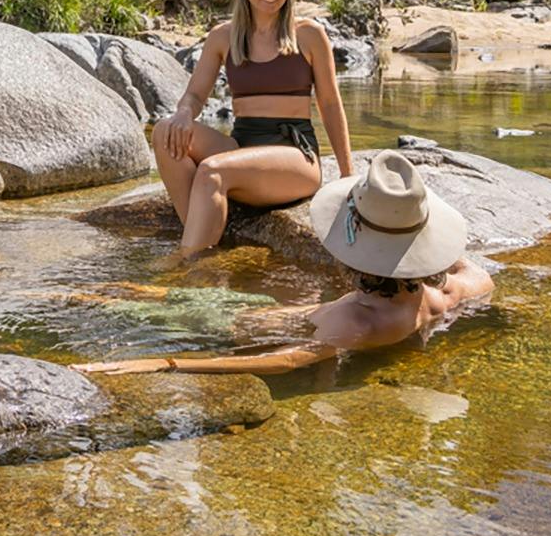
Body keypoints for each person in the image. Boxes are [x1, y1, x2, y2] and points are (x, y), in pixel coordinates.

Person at [75, 151, 494, 375]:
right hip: (259, 314)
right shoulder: (437, 299)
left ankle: (61, 293)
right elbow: (479, 277)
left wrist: (162, 363)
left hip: (229, 325)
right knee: (134, 297)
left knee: (114, 302)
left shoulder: (355, 323)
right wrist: (420, 249)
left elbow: (280, 361)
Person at [153, 0, 354, 257]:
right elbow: (195, 94)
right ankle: (203, 241)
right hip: (241, 148)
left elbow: (330, 103)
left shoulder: (309, 35)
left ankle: (187, 265)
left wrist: (347, 176)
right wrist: (183, 113)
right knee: (165, 133)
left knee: (212, 170)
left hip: (294, 156)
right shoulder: (222, 37)